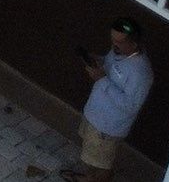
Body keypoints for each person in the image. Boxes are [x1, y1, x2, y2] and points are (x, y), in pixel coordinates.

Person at [65, 18, 153, 182]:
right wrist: (98, 60)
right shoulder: (118, 51)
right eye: (112, 39)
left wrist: (102, 80)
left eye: (119, 41)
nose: (114, 44)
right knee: (91, 158)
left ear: (134, 44)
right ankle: (89, 178)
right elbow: (110, 63)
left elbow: (131, 106)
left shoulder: (141, 74)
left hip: (106, 128)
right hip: (94, 116)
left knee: (101, 164)